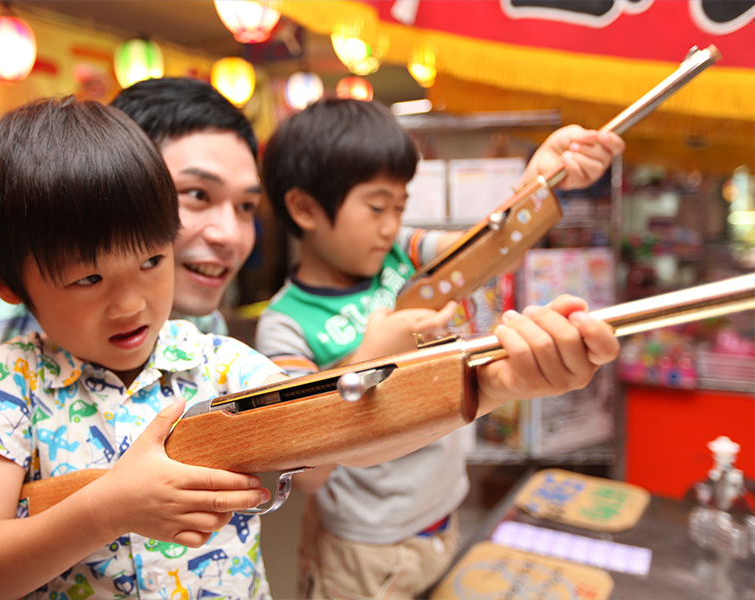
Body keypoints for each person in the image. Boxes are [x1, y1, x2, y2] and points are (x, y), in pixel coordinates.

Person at [0, 77, 263, 599]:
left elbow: (302, 414)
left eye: (247, 205)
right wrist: (106, 508)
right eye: (197, 195)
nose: (230, 234)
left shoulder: (199, 338)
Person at [254, 97, 625, 599]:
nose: (391, 223)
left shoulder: (401, 251)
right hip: (363, 547)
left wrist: (541, 182)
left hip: (441, 514)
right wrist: (367, 360)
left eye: (400, 206)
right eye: (377, 206)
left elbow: (487, 249)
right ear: (304, 207)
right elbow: (310, 472)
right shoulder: (284, 324)